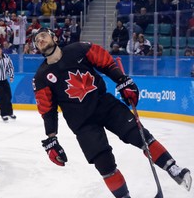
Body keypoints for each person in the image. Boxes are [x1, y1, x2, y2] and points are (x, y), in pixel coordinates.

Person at [32, 28, 192, 198]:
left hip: (105, 105)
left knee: (140, 136)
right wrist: (51, 139)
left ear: (54, 37)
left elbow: (105, 62)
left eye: (43, 36)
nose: (40, 40)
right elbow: (47, 110)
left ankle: (174, 170)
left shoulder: (79, 49)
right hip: (82, 124)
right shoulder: (41, 77)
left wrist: (123, 81)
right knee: (104, 164)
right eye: (36, 40)